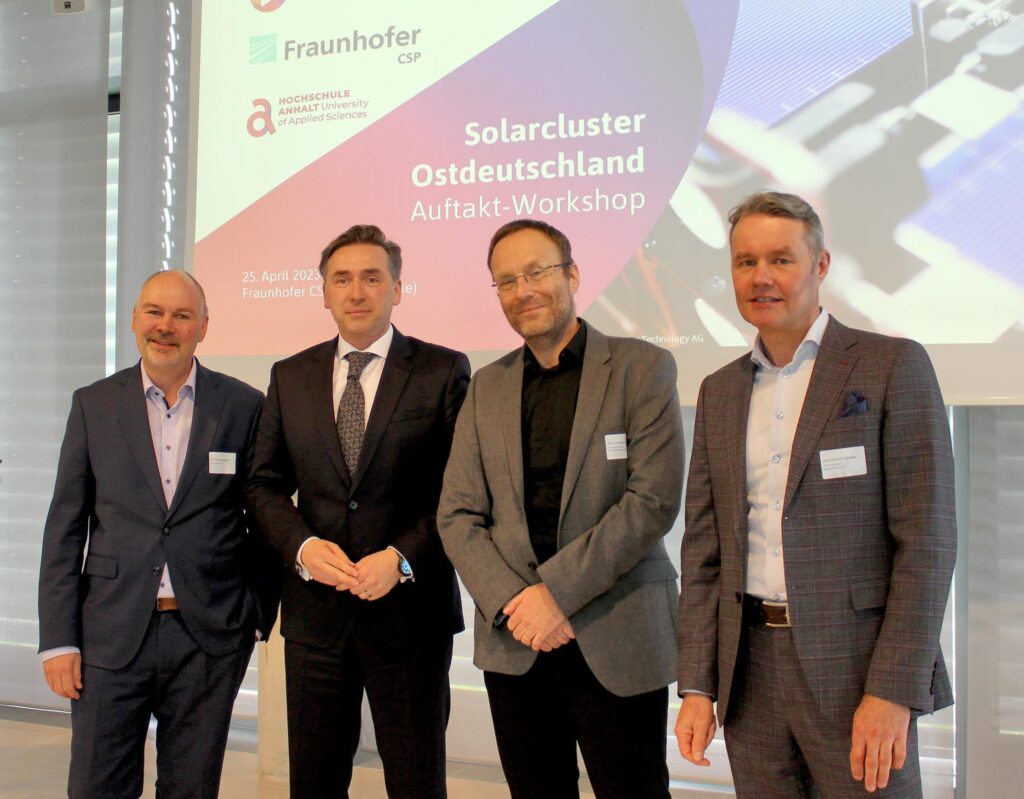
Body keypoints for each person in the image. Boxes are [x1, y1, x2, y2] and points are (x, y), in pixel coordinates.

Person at [675, 191, 957, 797]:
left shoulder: (890, 365)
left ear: (820, 265)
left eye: (781, 259)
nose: (762, 277)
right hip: (748, 676)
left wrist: (892, 689)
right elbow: (703, 553)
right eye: (746, 262)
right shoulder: (719, 391)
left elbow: (927, 544)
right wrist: (697, 684)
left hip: (857, 673)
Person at [438, 219, 683, 799]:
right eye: (506, 281)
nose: (522, 290)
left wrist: (555, 596)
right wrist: (515, 602)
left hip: (615, 632)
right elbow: (457, 514)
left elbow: (651, 501)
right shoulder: (486, 386)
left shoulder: (642, 368)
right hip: (516, 639)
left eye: (536, 272)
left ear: (572, 275)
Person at [246, 224, 469, 799]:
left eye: (372, 277)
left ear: (398, 288)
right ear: (324, 293)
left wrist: (402, 557)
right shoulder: (289, 375)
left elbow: (459, 491)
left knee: (416, 780)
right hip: (316, 617)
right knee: (314, 782)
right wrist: (302, 548)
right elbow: (263, 485)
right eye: (341, 279)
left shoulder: (443, 371)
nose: (357, 291)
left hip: (410, 616)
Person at [38, 269, 279, 799]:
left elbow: (264, 515)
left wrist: (255, 614)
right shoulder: (94, 405)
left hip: (207, 638)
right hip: (108, 635)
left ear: (203, 327)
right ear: (134, 319)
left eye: (182, 315)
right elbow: (65, 528)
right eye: (154, 312)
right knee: (97, 787)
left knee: (191, 788)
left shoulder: (243, 406)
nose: (165, 326)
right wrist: (58, 639)